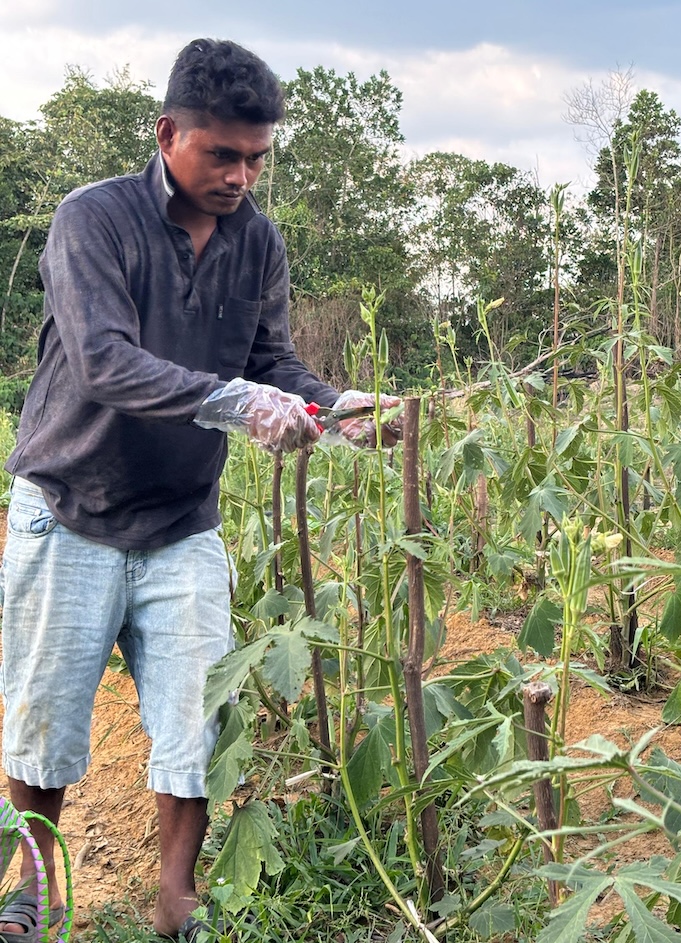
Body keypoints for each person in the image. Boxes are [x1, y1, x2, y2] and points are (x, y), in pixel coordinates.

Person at [0, 38, 399, 943]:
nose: (242, 175)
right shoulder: (91, 220)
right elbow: (103, 361)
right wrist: (233, 401)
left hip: (183, 518)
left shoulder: (257, 241)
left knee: (195, 717)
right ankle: (30, 887)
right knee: (46, 719)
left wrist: (338, 408)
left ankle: (178, 896)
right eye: (223, 153)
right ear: (168, 132)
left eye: (257, 157)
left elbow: (272, 361)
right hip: (72, 504)